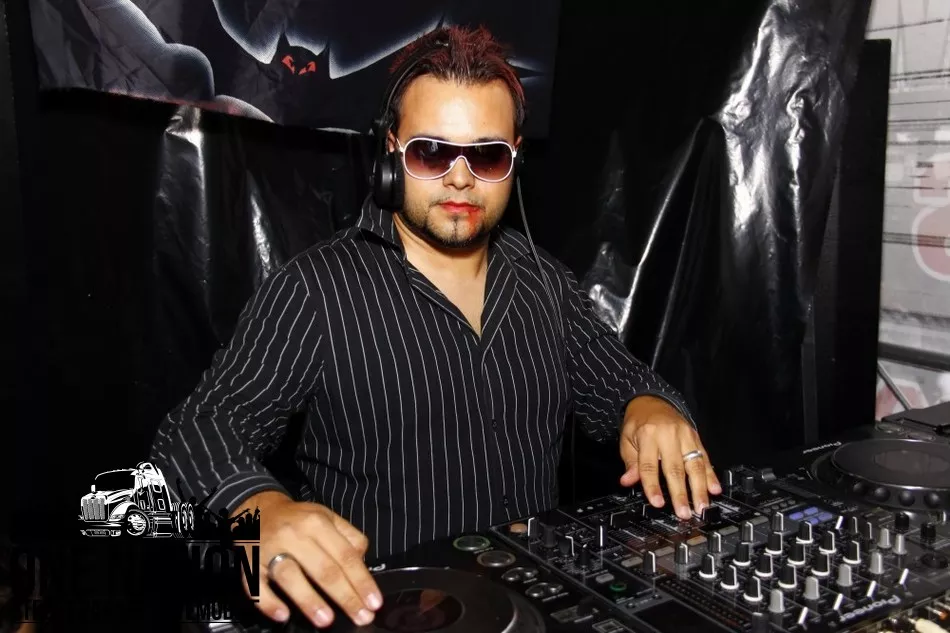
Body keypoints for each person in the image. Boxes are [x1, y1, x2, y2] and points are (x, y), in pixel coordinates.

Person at [149, 25, 721, 631]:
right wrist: (257, 509)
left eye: (487, 155)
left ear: (515, 159)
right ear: (391, 150)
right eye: (431, 152)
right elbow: (191, 436)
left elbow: (621, 383)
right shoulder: (317, 289)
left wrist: (650, 406)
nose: (460, 178)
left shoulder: (545, 284)